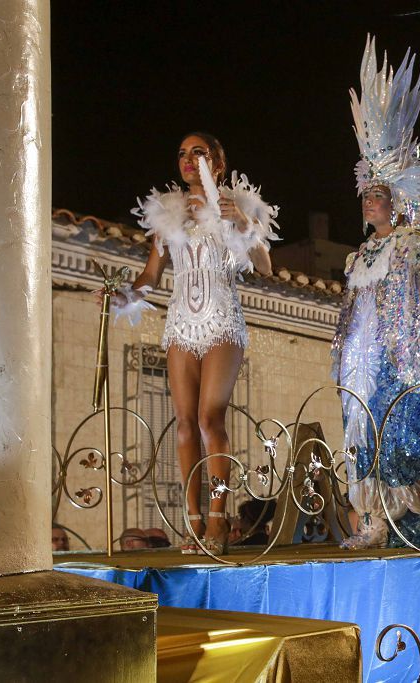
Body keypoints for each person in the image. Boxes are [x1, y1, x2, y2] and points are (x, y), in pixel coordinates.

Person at [110, 131, 279, 555]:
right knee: (184, 423)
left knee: (209, 420)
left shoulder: (237, 205)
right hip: (181, 322)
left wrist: (242, 224)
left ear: (217, 163)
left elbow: (265, 266)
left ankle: (219, 519)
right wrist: (125, 295)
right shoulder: (169, 212)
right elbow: (151, 275)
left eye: (197, 152)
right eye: (182, 153)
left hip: (222, 318)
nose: (188, 160)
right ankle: (194, 520)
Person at [331, 37, 420, 550]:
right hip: (358, 361)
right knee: (361, 436)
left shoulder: (412, 244)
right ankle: (371, 522)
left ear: (395, 199)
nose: (369, 202)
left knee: (398, 436)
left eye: (377, 195)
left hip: (397, 357)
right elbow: (351, 309)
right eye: (366, 194)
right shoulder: (355, 256)